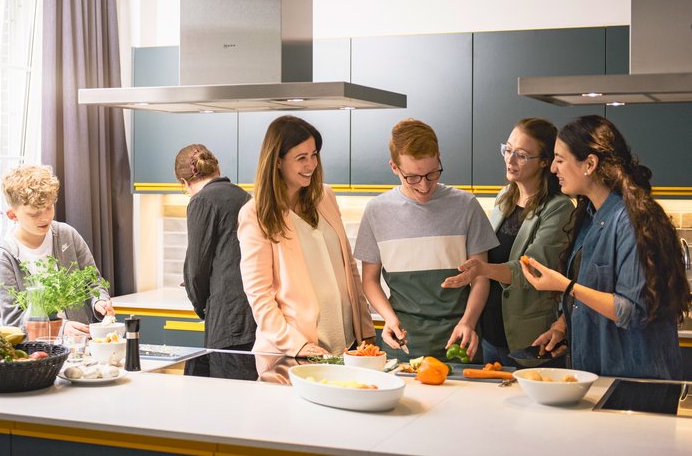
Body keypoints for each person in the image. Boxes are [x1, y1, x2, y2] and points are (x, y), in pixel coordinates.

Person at [521, 115, 691, 379]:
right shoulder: (588, 216)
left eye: (560, 159)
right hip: (597, 378)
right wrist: (561, 327)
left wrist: (566, 286)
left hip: (636, 384)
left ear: (589, 164)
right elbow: (595, 292)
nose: (553, 168)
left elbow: (631, 311)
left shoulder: (629, 221)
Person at [354, 118, 499, 362]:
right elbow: (369, 280)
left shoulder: (466, 205)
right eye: (412, 177)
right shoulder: (376, 211)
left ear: (439, 158)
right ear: (394, 167)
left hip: (459, 339)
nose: (424, 186)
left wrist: (468, 322)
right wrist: (389, 318)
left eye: (432, 174)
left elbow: (481, 276)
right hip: (402, 343)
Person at [238, 115, 375, 357]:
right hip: (297, 348)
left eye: (314, 155)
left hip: (348, 343)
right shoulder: (256, 214)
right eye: (301, 158)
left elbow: (349, 268)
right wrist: (296, 344)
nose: (311, 164)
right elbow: (259, 294)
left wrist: (365, 329)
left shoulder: (325, 196)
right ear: (277, 162)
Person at [442, 118, 574, 366]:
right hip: (490, 336)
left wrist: (482, 269)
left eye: (521, 155)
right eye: (508, 149)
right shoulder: (505, 196)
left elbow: (533, 271)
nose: (510, 160)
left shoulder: (558, 208)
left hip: (529, 339)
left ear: (544, 161)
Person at [0, 164, 113, 336]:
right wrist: (59, 329)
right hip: (40, 349)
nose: (45, 217)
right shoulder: (6, 255)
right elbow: (13, 321)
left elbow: (93, 282)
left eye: (49, 207)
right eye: (34, 214)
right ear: (12, 215)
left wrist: (99, 302)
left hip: (81, 342)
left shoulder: (67, 235)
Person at [174, 144, 256, 351]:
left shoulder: (201, 201)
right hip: (254, 313)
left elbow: (196, 269)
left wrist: (203, 308)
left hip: (227, 318)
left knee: (224, 371)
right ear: (217, 168)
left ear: (184, 182)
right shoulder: (245, 197)